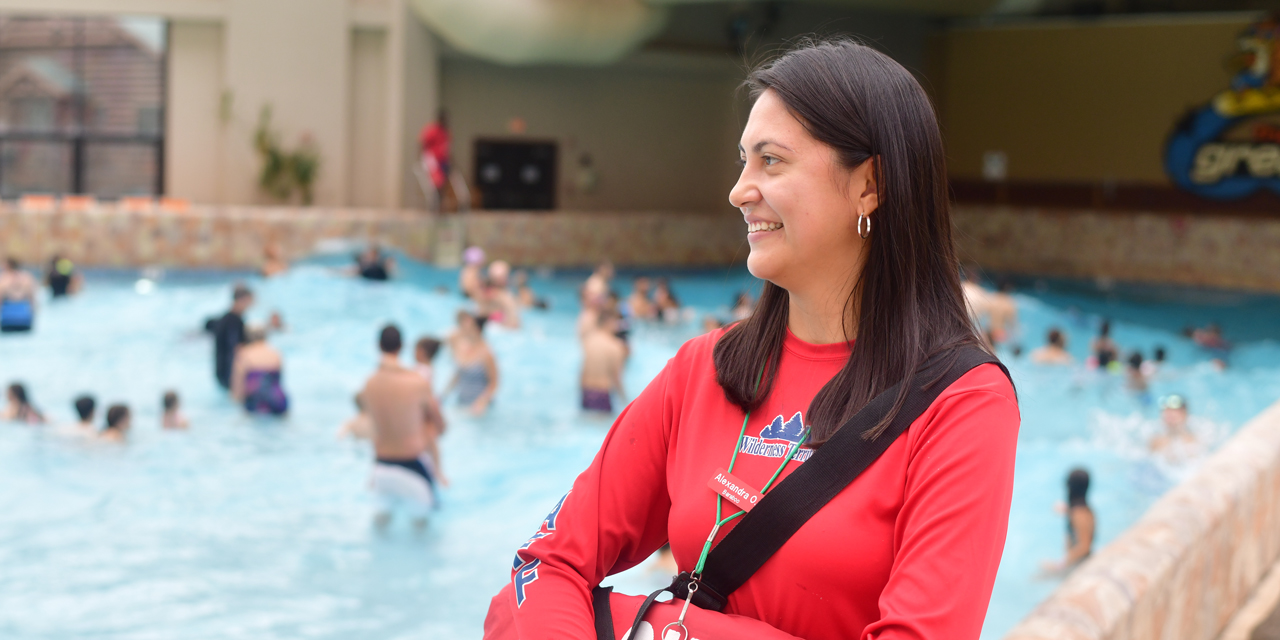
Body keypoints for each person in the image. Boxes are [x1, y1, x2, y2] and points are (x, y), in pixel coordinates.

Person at [485, 40, 1019, 640]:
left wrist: (661, 628)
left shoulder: (961, 404)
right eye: (744, 161)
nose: (740, 190)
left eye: (771, 161)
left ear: (870, 184)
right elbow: (544, 564)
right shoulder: (703, 369)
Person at [362, 325, 447, 524]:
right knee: (421, 530)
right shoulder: (416, 382)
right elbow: (440, 427)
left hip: (380, 470)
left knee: (381, 525)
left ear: (377, 346)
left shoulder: (369, 384)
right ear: (402, 347)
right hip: (412, 469)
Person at [1041, 468, 1095, 575]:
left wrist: (1060, 564)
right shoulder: (1082, 509)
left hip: (1078, 563)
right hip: (1077, 560)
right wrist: (1067, 510)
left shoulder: (1079, 515)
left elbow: (1085, 546)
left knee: (1039, 576)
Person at [446, 312, 498, 416]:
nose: (463, 329)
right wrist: (445, 394)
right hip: (461, 401)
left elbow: (494, 383)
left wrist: (482, 402)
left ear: (477, 329)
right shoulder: (463, 347)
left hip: (479, 408)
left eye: (468, 326)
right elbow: (459, 374)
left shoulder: (487, 353)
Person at [231, 327, 288, 416]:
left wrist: (237, 399)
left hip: (255, 401)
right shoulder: (276, 353)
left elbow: (238, 381)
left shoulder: (244, 353)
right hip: (277, 400)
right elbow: (279, 381)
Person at [581, 309, 627, 414]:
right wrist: (625, 400)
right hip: (602, 395)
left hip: (586, 392)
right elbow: (617, 378)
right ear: (609, 323)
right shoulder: (616, 346)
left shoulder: (589, 341)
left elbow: (583, 371)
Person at [213, 285, 254, 389]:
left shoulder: (226, 319)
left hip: (221, 372)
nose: (250, 305)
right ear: (242, 300)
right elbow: (237, 350)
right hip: (229, 374)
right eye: (250, 302)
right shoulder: (234, 322)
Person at [479, 260, 521, 329]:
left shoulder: (483, 293)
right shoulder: (505, 297)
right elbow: (514, 322)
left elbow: (481, 313)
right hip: (501, 327)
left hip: (490, 325)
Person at [0, 257, 37, 333]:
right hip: (24, 320)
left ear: (7, 266)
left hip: (8, 320)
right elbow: (32, 300)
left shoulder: (4, 279)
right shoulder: (27, 278)